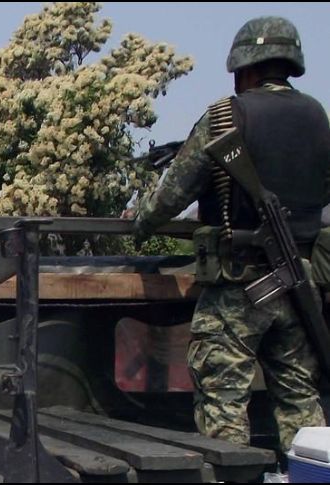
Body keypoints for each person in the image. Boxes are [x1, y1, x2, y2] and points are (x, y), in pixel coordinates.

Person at [129, 16, 329, 452]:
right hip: (300, 287)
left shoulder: (226, 117)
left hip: (240, 289)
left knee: (223, 409)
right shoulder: (318, 116)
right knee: (301, 403)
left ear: (247, 67)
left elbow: (169, 197)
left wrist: (140, 224)